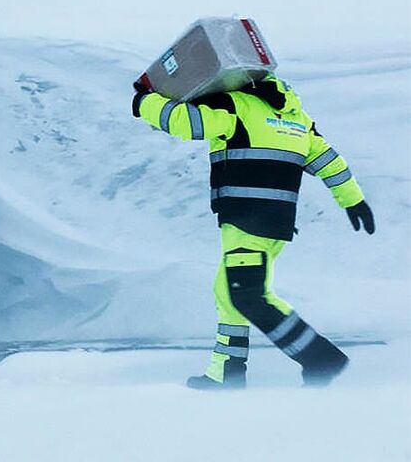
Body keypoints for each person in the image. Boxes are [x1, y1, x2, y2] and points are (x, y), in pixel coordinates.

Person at [132, 74, 375, 389]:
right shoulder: (296, 119)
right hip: (274, 223)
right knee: (228, 291)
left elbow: (187, 122)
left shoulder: (236, 106)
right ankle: (227, 373)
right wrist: (353, 200)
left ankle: (319, 357)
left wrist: (144, 101)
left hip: (247, 220)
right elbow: (330, 161)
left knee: (248, 295)